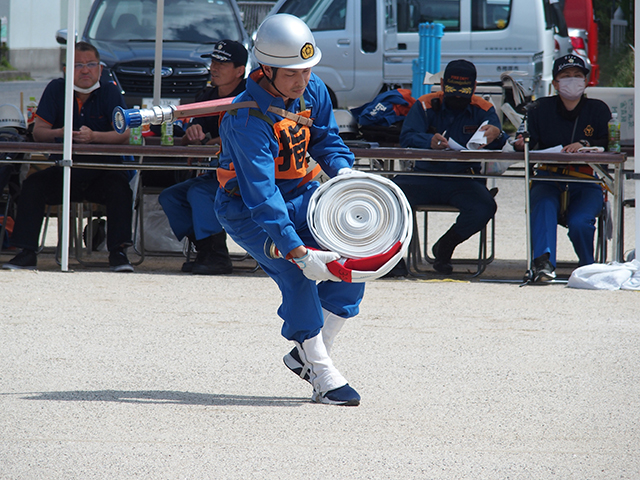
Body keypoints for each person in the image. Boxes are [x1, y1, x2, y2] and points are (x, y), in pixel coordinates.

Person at [214, 14, 365, 406]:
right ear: (265, 70)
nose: (302, 81)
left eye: (307, 70)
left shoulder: (313, 90)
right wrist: (298, 252)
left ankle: (308, 355)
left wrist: (345, 172)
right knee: (298, 277)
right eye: (292, 74)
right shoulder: (245, 119)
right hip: (249, 210)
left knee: (352, 260)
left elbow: (327, 141)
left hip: (305, 195)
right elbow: (262, 198)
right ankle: (323, 373)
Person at [2, 41, 134, 272]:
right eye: (78, 65)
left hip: (102, 171)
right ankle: (26, 252)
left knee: (120, 189)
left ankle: (118, 253)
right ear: (66, 69)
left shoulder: (110, 90)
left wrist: (94, 137)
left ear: (100, 68)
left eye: (91, 64)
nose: (85, 70)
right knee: (32, 185)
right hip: (63, 170)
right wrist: (60, 133)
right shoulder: (56, 89)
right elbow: (38, 131)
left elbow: (125, 134)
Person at [394, 59, 507, 274]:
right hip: (424, 177)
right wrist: (428, 141)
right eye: (452, 87)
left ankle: (446, 246)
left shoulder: (483, 108)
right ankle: (395, 258)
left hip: (463, 179)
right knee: (391, 198)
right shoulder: (425, 104)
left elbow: (499, 141)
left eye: (464, 88)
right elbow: (406, 136)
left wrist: (498, 134)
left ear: (474, 87)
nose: (457, 93)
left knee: (485, 207)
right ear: (443, 83)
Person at [514, 54, 610, 282]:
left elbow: (609, 142)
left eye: (577, 76)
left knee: (580, 222)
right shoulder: (539, 108)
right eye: (565, 76)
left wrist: (586, 145)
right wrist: (520, 143)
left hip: (585, 179)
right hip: (549, 176)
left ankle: (589, 266)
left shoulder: (598, 110)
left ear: (586, 81)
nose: (572, 80)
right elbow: (527, 141)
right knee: (544, 205)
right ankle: (543, 265)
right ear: (555, 83)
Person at [158, 40, 247, 275]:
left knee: (198, 193)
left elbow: (251, 135)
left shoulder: (250, 97)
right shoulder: (206, 95)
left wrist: (217, 140)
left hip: (247, 177)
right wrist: (190, 133)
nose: (214, 67)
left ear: (240, 71)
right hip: (216, 174)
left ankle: (218, 256)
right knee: (171, 197)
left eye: (222, 63)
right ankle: (206, 250)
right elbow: (190, 136)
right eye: (213, 61)